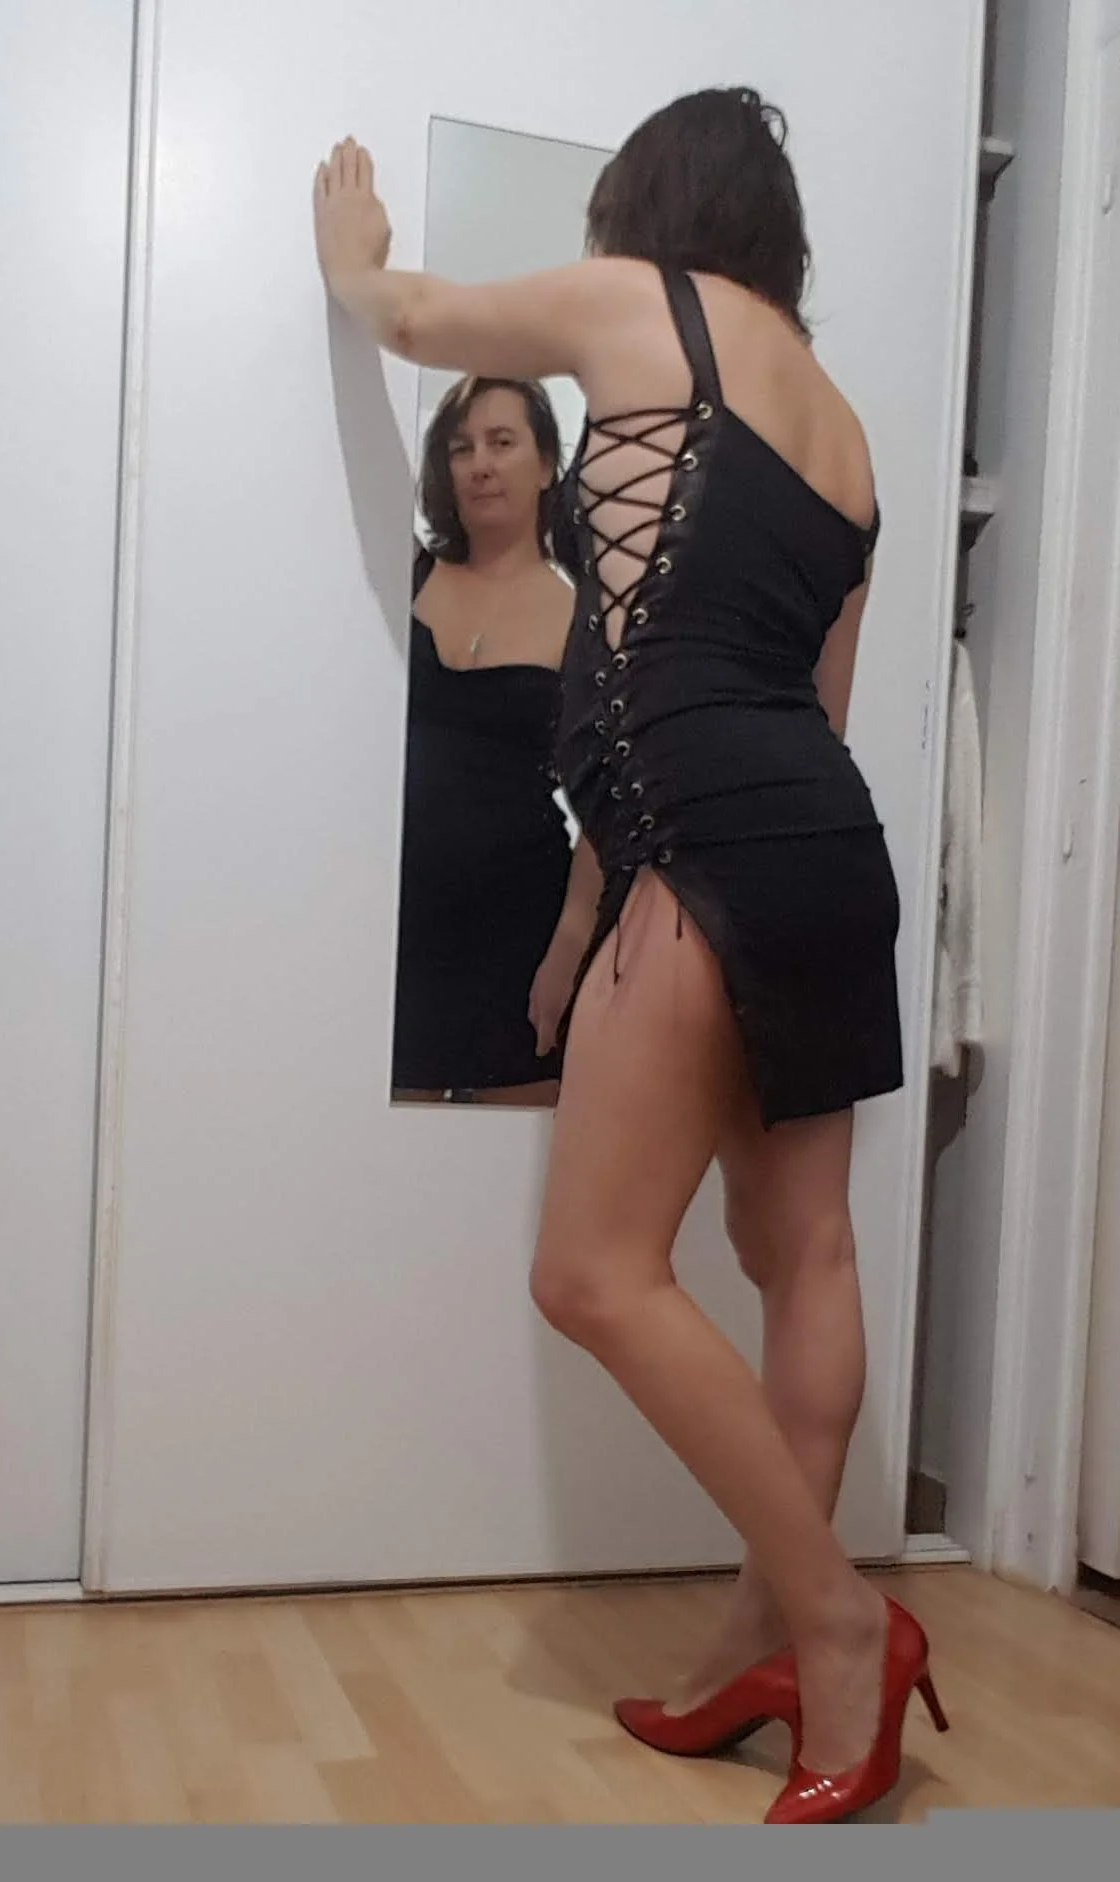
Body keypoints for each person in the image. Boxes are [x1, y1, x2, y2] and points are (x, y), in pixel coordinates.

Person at [314, 87, 946, 1825]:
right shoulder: (847, 436)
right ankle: (764, 1639)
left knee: (591, 1269)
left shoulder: (643, 304)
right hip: (824, 843)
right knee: (801, 1251)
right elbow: (816, 701)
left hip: (705, 839)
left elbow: (422, 320)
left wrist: (352, 262)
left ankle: (836, 1621)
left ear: (646, 210)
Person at [394, 373, 600, 1103]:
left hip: (522, 923)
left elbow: (606, 798)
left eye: (501, 442)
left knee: (513, 1158)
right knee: (377, 1155)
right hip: (394, 918)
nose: (480, 463)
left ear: (545, 465)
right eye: (461, 448)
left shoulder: (587, 620)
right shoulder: (401, 575)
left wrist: (571, 940)